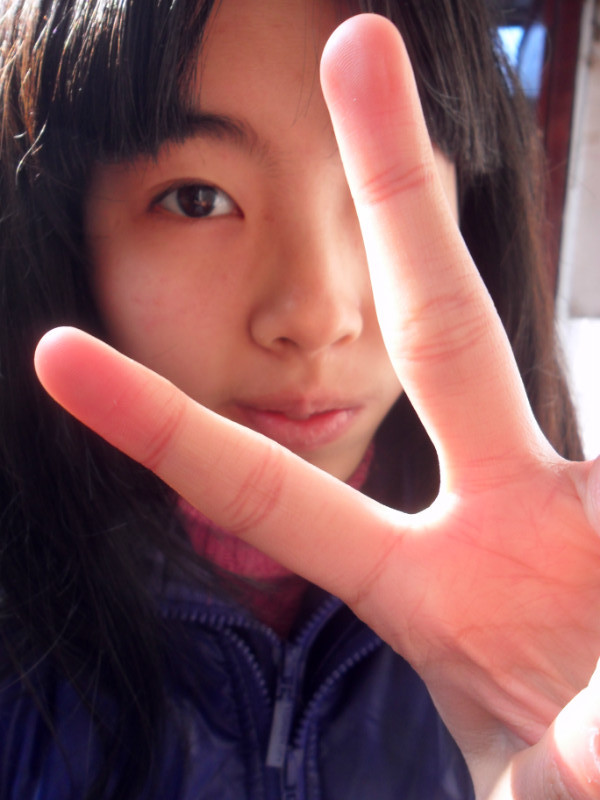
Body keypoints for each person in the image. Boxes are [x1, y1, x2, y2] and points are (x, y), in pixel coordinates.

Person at [2, 0, 600, 797]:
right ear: (63, 234)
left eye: (376, 187)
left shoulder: (559, 619)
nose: (316, 318)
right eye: (196, 198)